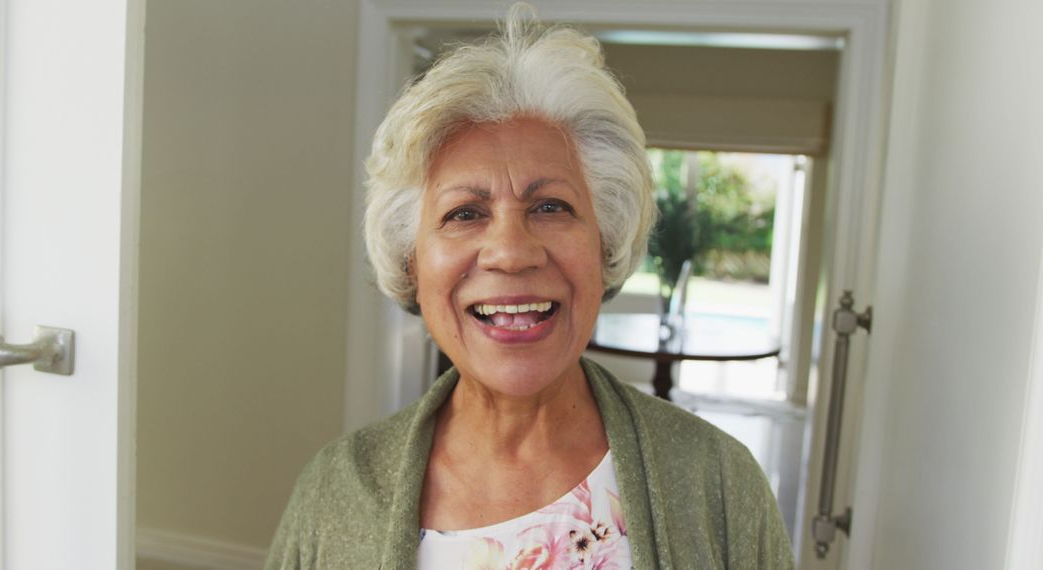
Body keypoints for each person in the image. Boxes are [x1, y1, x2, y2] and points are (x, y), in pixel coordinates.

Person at [266, 5, 793, 569]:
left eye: (550, 206)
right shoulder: (334, 490)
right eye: (464, 213)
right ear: (412, 262)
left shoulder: (717, 481)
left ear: (604, 246)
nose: (511, 253)